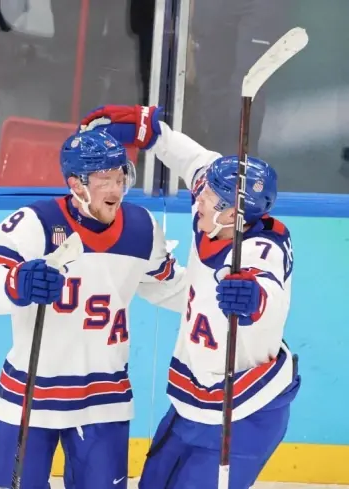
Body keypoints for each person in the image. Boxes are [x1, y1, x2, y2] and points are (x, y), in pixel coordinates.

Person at [81, 104, 299, 489]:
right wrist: (152, 133)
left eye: (210, 198)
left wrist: (251, 300)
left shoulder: (260, 251)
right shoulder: (217, 198)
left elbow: (269, 291)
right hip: (192, 402)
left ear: (236, 215)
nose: (197, 199)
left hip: (242, 413)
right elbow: (193, 160)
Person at [0, 129, 188, 489]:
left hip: (105, 397)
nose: (115, 189)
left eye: (120, 177)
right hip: (30, 394)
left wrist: (218, 297)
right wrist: (17, 284)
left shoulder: (142, 227)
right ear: (76, 183)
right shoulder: (33, 224)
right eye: (104, 179)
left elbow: (170, 287)